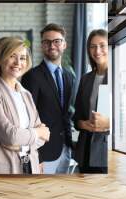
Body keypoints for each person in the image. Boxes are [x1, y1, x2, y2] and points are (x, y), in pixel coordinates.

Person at [0, 37, 50, 174]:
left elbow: (44, 138)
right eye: (12, 56)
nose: (18, 62)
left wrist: (18, 143)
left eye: (23, 58)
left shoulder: (26, 94)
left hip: (30, 167)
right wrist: (36, 134)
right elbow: (10, 136)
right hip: (3, 172)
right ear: (0, 59)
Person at [21, 24, 74, 174]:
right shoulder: (31, 77)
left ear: (64, 44)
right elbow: (25, 120)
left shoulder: (69, 77)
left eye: (57, 41)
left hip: (65, 149)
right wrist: (34, 157)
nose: (52, 46)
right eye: (47, 42)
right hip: (42, 153)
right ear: (42, 46)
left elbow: (65, 114)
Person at [73, 29, 109, 173]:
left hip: (105, 152)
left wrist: (108, 123)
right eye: (93, 46)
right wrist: (83, 124)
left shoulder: (117, 76)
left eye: (102, 45)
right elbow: (76, 117)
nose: (97, 50)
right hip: (85, 150)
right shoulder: (85, 79)